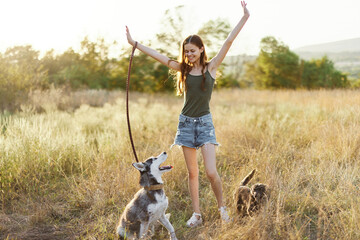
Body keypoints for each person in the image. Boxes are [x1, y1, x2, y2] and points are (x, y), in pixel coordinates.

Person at [126, 1, 250, 227]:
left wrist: (244, 17)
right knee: (193, 173)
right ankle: (197, 214)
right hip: (185, 125)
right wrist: (135, 43)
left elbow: (228, 41)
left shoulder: (211, 68)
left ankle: (222, 208)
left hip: (204, 124)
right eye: (186, 52)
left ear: (201, 50)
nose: (189, 55)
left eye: (192, 51)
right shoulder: (183, 69)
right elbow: (159, 56)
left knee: (211, 172)